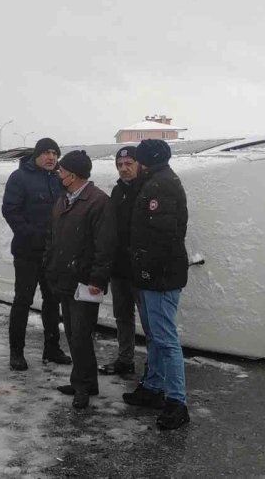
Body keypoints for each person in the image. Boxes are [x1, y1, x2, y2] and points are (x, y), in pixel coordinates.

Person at [122, 139, 191, 430]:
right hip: (153, 273)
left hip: (160, 276)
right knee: (154, 335)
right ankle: (152, 387)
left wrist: (148, 271)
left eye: (135, 160)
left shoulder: (158, 186)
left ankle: (177, 401)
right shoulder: (157, 180)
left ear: (145, 161)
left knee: (165, 339)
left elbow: (163, 237)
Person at [43, 150, 116, 409]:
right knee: (73, 333)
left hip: (85, 282)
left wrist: (97, 278)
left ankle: (83, 387)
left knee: (81, 335)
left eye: (61, 170)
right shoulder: (64, 200)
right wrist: (50, 265)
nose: (59, 174)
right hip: (64, 278)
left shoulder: (98, 202)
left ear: (72, 175)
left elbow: (105, 246)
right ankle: (85, 381)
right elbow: (53, 237)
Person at [2, 137, 70, 370]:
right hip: (27, 252)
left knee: (53, 301)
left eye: (55, 153)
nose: (51, 157)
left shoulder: (60, 178)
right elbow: (10, 210)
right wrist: (31, 235)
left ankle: (52, 348)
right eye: (46, 153)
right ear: (36, 155)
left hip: (53, 254)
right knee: (23, 300)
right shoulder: (19, 178)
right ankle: (16, 352)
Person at [99, 146, 142, 376]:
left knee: (150, 321)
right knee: (123, 316)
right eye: (120, 165)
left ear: (139, 164)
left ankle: (156, 368)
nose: (124, 169)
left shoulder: (148, 189)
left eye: (128, 164)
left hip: (142, 270)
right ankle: (126, 359)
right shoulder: (118, 192)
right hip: (120, 268)